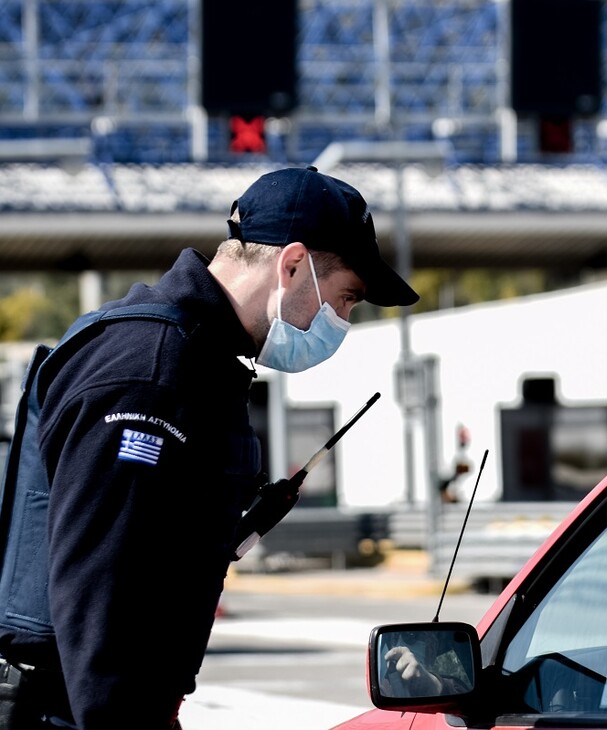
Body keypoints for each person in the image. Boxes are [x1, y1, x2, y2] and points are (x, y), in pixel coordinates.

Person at [0, 165, 419, 730]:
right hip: (66, 712)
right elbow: (102, 592)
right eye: (345, 299)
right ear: (292, 266)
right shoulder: (150, 376)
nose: (341, 321)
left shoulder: (193, 362)